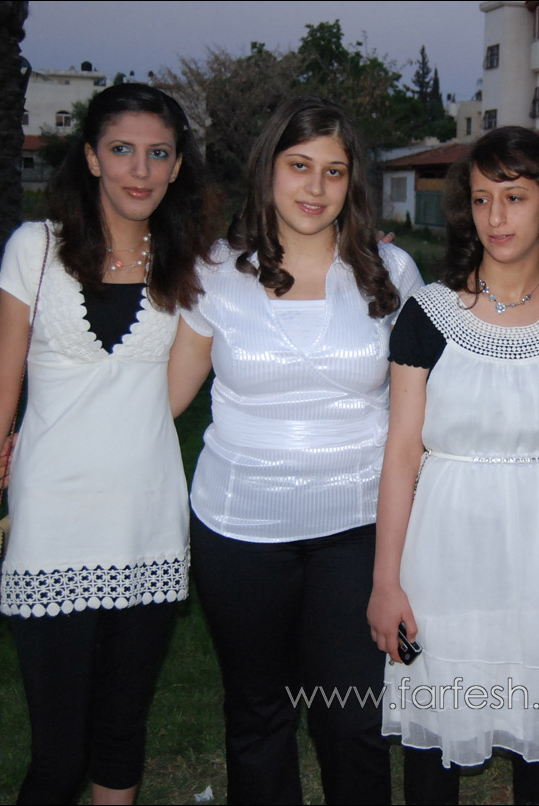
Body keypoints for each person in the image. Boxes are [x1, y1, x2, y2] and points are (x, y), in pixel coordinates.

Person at [0, 83, 216, 804]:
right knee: (59, 757)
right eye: (122, 149)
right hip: (51, 527)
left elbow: (169, 396)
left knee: (121, 737)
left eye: (159, 153)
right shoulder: (35, 249)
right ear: (92, 157)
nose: (140, 170)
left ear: (177, 166)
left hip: (146, 526)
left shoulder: (195, 266)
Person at [166, 96, 422, 805]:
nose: (315, 187)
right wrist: (47, 433)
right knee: (258, 714)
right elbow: (163, 400)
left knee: (352, 720)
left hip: (358, 527)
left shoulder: (391, 271)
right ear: (268, 171)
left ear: (352, 182)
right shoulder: (215, 272)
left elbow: (425, 410)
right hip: (238, 528)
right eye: (299, 166)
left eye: (333, 171)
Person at [368, 126, 539, 805]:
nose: (496, 216)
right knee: (437, 730)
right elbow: (402, 452)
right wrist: (385, 581)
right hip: (449, 545)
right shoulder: (428, 315)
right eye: (482, 198)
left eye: (514, 197)